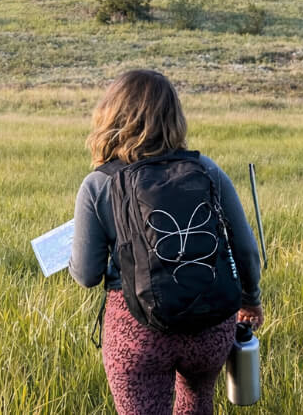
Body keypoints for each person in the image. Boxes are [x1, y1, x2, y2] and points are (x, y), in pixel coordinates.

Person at [69, 69, 263, 415]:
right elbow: (245, 248)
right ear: (174, 116)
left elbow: (86, 275)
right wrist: (251, 301)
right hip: (211, 325)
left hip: (136, 329)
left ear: (110, 116)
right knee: (198, 403)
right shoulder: (206, 169)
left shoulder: (98, 184)